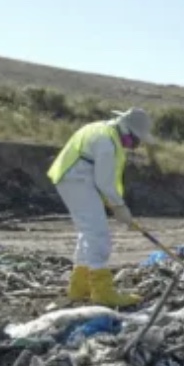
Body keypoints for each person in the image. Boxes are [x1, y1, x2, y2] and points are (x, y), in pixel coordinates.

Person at [47, 109, 154, 307]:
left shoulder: (102, 130)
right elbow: (104, 182)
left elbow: (101, 179)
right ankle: (102, 292)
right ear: (126, 130)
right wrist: (119, 207)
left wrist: (113, 203)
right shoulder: (107, 143)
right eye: (133, 142)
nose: (131, 147)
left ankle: (80, 287)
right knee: (98, 234)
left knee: (88, 233)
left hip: (74, 178)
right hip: (77, 179)